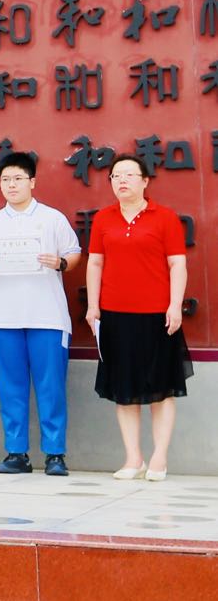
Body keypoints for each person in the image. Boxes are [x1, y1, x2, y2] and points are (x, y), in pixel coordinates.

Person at [0, 152, 80, 476]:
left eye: (18, 178)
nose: (11, 185)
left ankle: (55, 454)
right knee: (10, 388)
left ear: (32, 182)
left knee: (51, 387)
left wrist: (59, 263)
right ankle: (16, 452)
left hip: (47, 315)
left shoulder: (52, 219)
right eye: (5, 179)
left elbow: (73, 254)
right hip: (3, 317)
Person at [86, 153, 191, 481]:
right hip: (116, 316)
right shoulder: (103, 218)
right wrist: (93, 306)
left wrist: (175, 305)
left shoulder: (165, 217)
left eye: (129, 174)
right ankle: (134, 458)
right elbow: (95, 263)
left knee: (162, 389)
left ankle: (159, 457)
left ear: (145, 181)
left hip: (157, 316)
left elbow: (177, 264)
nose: (122, 180)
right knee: (124, 389)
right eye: (116, 175)